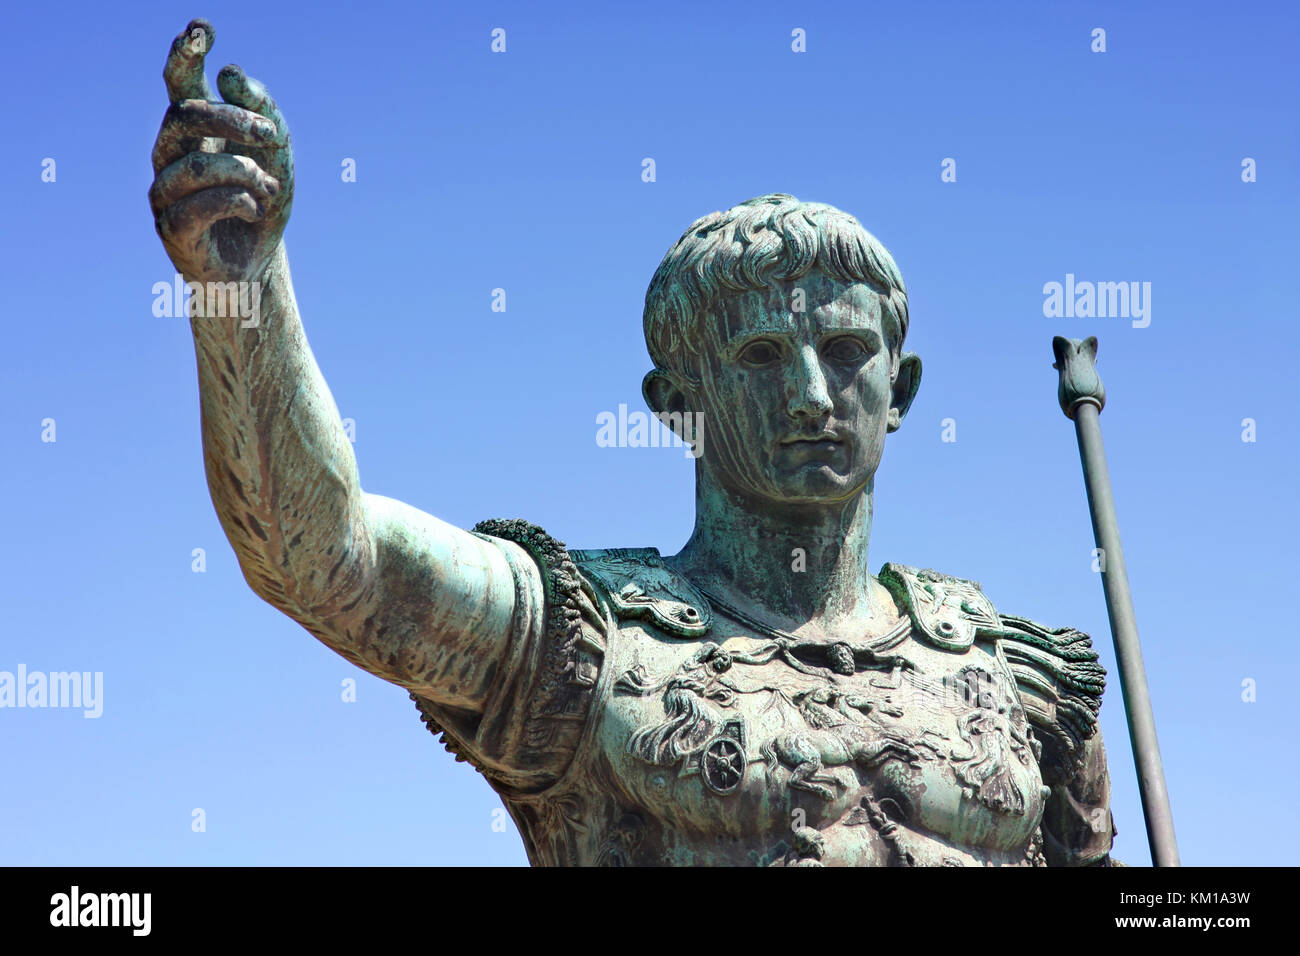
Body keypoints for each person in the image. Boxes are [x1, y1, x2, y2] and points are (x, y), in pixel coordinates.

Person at [149, 19, 1117, 866]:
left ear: (900, 391)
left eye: (847, 351)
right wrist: (240, 289)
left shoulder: (1017, 676)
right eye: (760, 356)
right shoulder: (584, 639)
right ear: (676, 400)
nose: (812, 393)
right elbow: (323, 559)